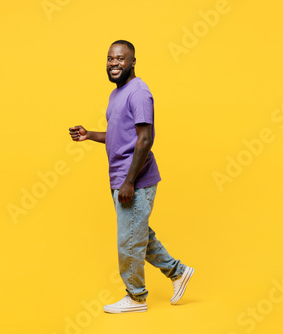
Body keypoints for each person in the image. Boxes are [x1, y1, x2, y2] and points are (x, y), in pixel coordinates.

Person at [68, 40, 194, 313]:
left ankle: (136, 298)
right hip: (121, 180)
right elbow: (118, 136)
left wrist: (129, 181)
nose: (114, 63)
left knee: (128, 242)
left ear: (133, 62)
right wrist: (90, 134)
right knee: (138, 236)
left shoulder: (139, 92)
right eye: (110, 58)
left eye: (120, 58)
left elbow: (145, 138)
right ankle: (179, 272)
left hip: (134, 181)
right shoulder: (117, 94)